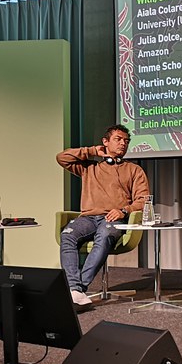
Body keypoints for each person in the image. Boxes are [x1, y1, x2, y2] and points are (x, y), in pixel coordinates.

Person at [56, 125, 150, 306]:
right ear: (105, 142)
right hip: (88, 219)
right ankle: (74, 288)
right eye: (118, 139)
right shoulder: (89, 167)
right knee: (67, 235)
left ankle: (78, 289)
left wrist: (124, 210)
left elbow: (143, 200)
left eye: (126, 141)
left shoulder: (134, 170)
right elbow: (62, 158)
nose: (123, 144)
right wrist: (92, 151)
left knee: (105, 234)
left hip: (114, 219)